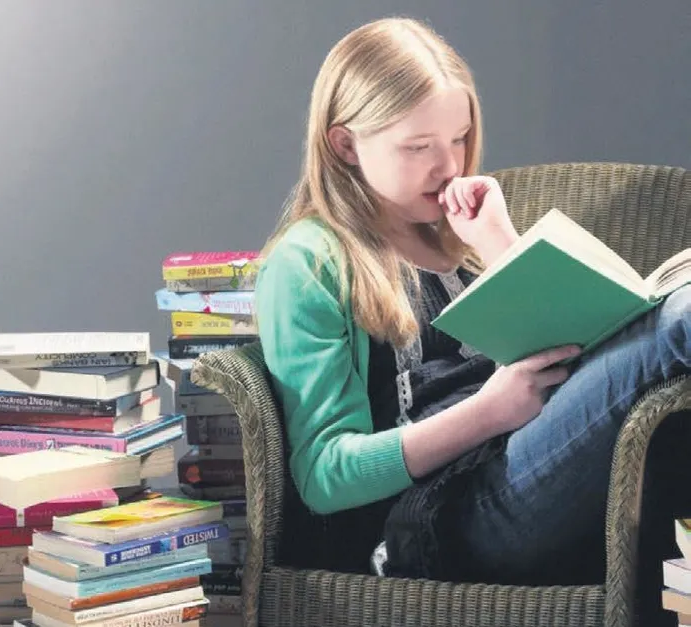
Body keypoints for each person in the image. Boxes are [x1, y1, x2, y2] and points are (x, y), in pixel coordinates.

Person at [253, 15, 691, 587]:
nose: (449, 166)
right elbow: (325, 474)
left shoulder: (456, 237)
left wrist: (499, 241)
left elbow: (570, 355)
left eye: (459, 138)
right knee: (681, 322)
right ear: (345, 145)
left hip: (532, 465)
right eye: (418, 147)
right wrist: (488, 412)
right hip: (440, 519)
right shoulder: (309, 262)